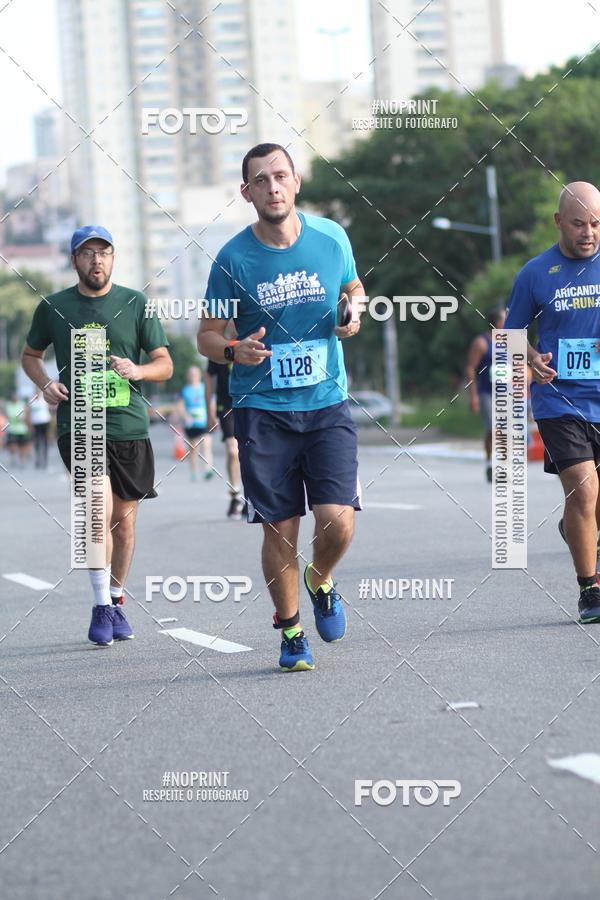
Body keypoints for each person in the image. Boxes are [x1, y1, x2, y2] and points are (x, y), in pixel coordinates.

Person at [198, 142, 363, 672]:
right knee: (281, 528)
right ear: (246, 193)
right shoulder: (233, 260)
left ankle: (320, 579)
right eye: (260, 180)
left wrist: (352, 310)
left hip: (326, 401)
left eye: (280, 176)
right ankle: (291, 631)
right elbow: (205, 335)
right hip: (263, 410)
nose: (272, 187)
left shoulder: (331, 238)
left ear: (296, 182)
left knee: (337, 522)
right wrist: (232, 351)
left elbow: (353, 286)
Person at [21, 225, 172, 645]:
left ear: (113, 257)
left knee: (124, 523)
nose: (96, 260)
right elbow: (30, 355)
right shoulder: (53, 307)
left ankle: (117, 598)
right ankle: (100, 603)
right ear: (74, 261)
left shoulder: (135, 303)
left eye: (103, 252)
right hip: (80, 423)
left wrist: (138, 370)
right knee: (95, 511)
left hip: (129, 425)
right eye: (87, 253)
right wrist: (45, 383)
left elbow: (164, 362)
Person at [505, 181, 600, 624]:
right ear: (559, 222)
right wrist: (529, 358)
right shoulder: (536, 273)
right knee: (584, 489)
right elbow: (509, 337)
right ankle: (589, 592)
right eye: (579, 223)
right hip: (560, 401)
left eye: (596, 223)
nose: (588, 232)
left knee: (593, 504)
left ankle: (576, 528)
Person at [465, 307, 507, 482]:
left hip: (505, 393)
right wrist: (473, 395)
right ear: (496, 322)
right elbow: (470, 368)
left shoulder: (508, 341)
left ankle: (503, 467)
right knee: (493, 429)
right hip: (486, 393)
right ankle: (490, 463)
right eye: (504, 320)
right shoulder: (481, 343)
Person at [205, 354, 245, 518]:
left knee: (251, 452)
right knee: (232, 451)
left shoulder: (253, 337)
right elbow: (208, 377)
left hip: (250, 403)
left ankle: (252, 497)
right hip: (227, 406)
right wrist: (209, 411)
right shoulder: (219, 344)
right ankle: (235, 495)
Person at [177, 365, 213, 481]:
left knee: (206, 444)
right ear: (188, 376)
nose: (193, 376)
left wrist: (212, 416)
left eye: (195, 374)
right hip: (191, 423)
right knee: (193, 449)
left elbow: (211, 403)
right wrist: (185, 417)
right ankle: (193, 471)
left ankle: (208, 469)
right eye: (191, 374)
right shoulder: (185, 390)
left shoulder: (204, 388)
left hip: (204, 422)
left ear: (199, 376)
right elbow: (180, 406)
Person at [4, 390, 31, 468]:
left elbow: (26, 415)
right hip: (12, 429)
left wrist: (24, 419)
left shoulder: (22, 404)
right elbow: (7, 415)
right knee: (13, 447)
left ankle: (22, 461)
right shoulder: (8, 405)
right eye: (13, 397)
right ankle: (13, 457)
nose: (15, 398)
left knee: (22, 447)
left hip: (22, 429)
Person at [29, 390, 51, 468]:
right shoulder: (32, 400)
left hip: (44, 422)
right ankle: (37, 460)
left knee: (45, 442)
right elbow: (29, 412)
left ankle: (45, 460)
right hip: (36, 423)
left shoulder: (44, 398)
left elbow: (49, 410)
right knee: (37, 442)